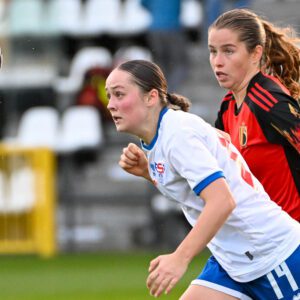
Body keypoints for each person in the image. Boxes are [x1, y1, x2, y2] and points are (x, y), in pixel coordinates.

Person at [105, 59, 300, 299]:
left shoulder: (177, 134)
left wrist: (180, 258)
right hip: (233, 260)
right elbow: (190, 189)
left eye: (119, 94)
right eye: (109, 96)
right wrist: (148, 172)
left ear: (151, 97)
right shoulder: (161, 133)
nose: (111, 105)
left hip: (272, 255)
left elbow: (222, 201)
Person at [209, 9, 300, 221]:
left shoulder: (267, 101)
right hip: (261, 236)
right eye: (213, 51)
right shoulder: (227, 106)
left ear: (256, 53)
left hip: (291, 238)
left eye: (228, 51)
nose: (217, 61)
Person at [141, 0, 188, 92]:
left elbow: (143, 4)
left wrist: (156, 11)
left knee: (160, 63)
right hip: (173, 29)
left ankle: (161, 91)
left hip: (154, 29)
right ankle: (170, 92)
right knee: (181, 64)